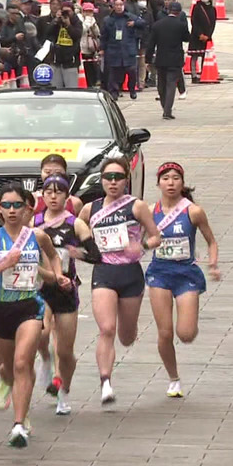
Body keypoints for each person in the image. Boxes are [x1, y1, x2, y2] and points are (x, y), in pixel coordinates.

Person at [0, 184, 69, 448]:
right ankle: (9, 387)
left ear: (27, 208)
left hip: (30, 306)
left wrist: (57, 275)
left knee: (22, 362)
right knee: (8, 367)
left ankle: (18, 425)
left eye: (17, 205)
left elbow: (54, 257)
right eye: (6, 205)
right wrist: (3, 265)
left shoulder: (38, 237)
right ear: (0, 210)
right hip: (1, 309)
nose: (12, 210)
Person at [78, 157, 162, 405]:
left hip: (130, 274)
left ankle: (129, 332)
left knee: (126, 336)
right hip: (104, 273)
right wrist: (81, 250)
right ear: (101, 180)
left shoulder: (136, 206)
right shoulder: (90, 209)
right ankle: (105, 382)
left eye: (118, 177)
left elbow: (156, 236)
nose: (113, 182)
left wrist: (142, 246)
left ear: (126, 180)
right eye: (108, 177)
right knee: (106, 329)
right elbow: (77, 230)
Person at [145, 162, 219, 397]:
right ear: (158, 183)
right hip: (159, 273)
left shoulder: (193, 211)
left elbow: (211, 241)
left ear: (182, 183)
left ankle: (189, 323)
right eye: (166, 178)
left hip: (186, 274)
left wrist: (213, 264)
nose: (171, 183)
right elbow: (138, 242)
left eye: (176, 178)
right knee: (165, 332)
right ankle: (173, 379)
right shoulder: (149, 211)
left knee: (186, 334)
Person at [33, 175, 101, 415]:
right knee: (41, 333)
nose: (53, 197)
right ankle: (45, 359)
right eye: (48, 192)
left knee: (65, 350)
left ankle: (64, 391)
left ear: (67, 196)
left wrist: (76, 253)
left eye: (58, 192)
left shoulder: (76, 224)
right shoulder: (34, 222)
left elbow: (96, 255)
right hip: (40, 288)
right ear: (42, 195)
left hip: (66, 289)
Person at [147, 2, 189, 120]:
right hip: (175, 59)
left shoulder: (157, 25)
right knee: (171, 84)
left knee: (161, 84)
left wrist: (148, 59)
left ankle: (164, 106)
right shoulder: (181, 25)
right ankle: (167, 110)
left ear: (168, 10)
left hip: (161, 58)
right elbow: (187, 38)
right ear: (179, 12)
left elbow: (151, 44)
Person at [100, 0, 146, 100]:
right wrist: (102, 48)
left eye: (121, 5)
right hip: (114, 50)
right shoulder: (108, 20)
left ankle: (132, 89)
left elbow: (143, 23)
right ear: (113, 6)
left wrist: (134, 24)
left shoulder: (130, 17)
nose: (119, 7)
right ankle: (114, 92)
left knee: (132, 71)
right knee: (114, 74)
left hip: (128, 50)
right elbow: (104, 36)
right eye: (117, 5)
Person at [46, 3, 84, 88]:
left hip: (70, 61)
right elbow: (47, 33)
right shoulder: (58, 22)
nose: (66, 14)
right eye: (64, 11)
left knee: (71, 89)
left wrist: (68, 25)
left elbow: (76, 35)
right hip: (56, 60)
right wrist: (55, 20)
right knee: (56, 88)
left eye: (68, 11)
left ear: (73, 11)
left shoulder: (77, 22)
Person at [189, 0, 218, 81]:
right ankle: (194, 75)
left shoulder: (213, 9)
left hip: (207, 37)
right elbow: (194, 21)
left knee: (205, 56)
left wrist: (208, 35)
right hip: (196, 36)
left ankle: (204, 73)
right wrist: (200, 34)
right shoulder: (197, 7)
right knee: (194, 56)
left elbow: (213, 24)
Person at [80, 3, 103, 87]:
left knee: (91, 68)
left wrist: (93, 25)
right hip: (81, 48)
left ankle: (92, 83)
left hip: (91, 49)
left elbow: (97, 33)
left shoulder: (92, 20)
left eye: (91, 12)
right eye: (87, 11)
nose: (89, 14)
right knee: (84, 68)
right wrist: (87, 22)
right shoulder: (79, 19)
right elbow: (82, 30)